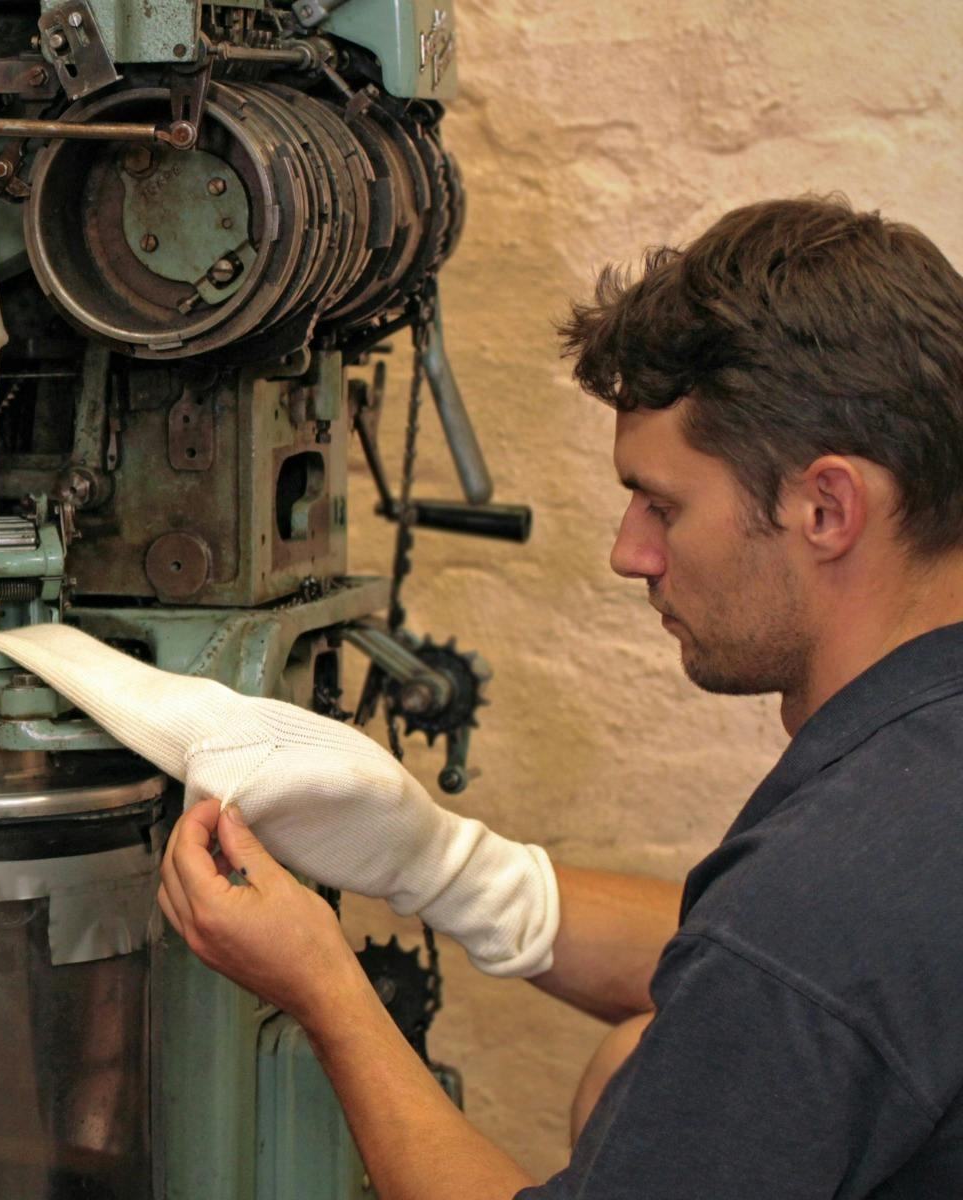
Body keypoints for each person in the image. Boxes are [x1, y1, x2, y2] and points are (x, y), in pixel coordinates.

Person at [157, 196, 963, 1198]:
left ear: (825, 506)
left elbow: (786, 963)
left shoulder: (818, 899)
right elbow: (774, 982)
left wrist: (325, 987)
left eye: (662, 505)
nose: (630, 553)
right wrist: (441, 865)